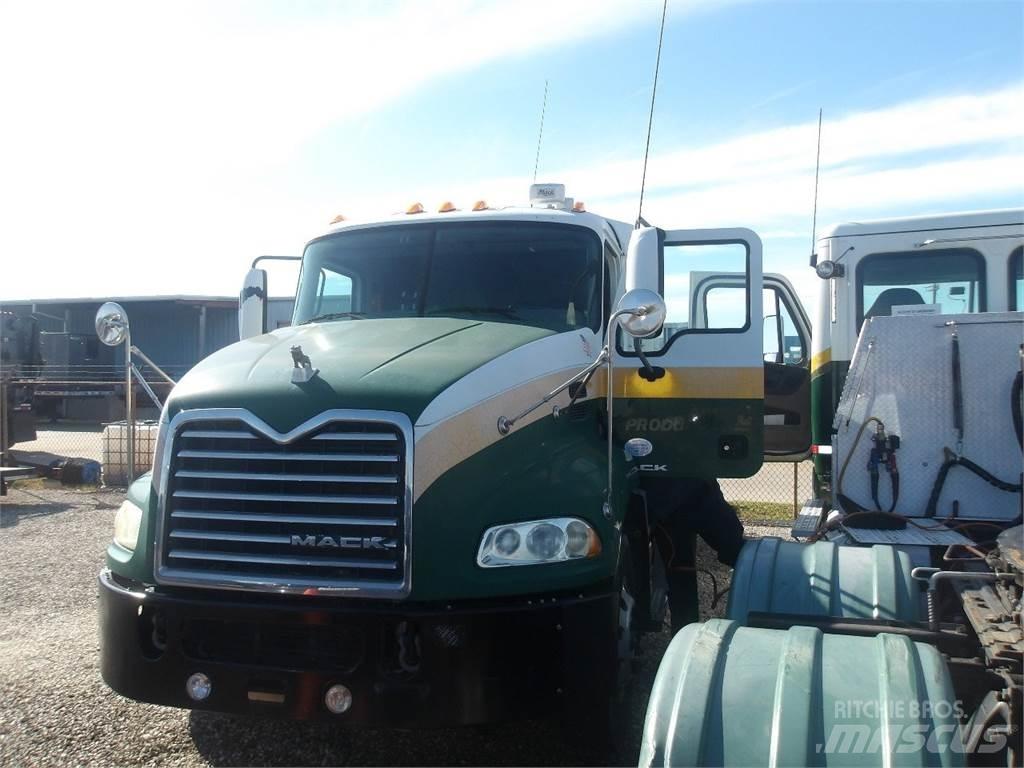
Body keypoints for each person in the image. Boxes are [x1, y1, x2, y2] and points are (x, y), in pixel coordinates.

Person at [642, 476, 745, 634]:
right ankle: (684, 635)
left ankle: (757, 613)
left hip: (696, 489)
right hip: (666, 505)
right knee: (681, 576)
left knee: (738, 549)